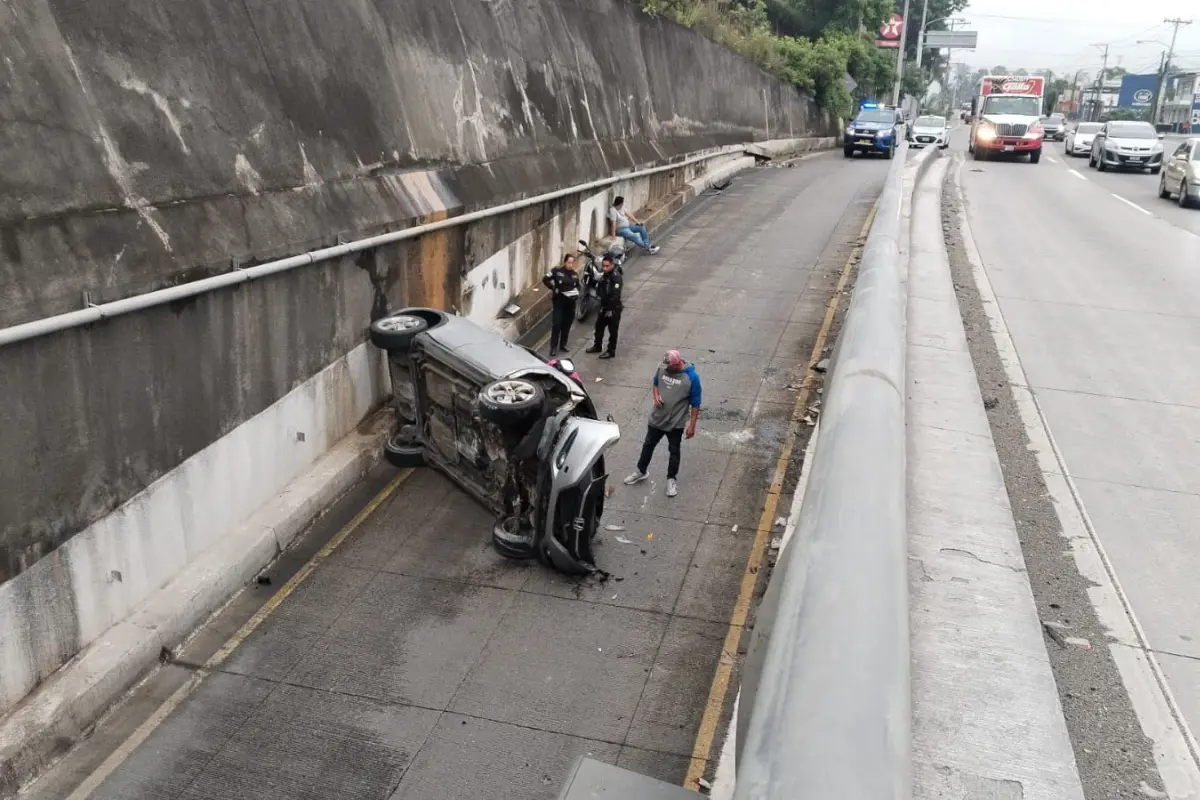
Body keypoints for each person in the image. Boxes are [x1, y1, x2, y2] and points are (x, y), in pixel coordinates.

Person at [624, 350, 701, 498]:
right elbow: (655, 383)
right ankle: (641, 471)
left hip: (675, 423)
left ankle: (671, 479)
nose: (665, 368)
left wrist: (692, 426)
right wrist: (656, 396)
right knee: (648, 445)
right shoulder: (662, 367)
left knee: (674, 451)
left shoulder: (692, 378)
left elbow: (696, 404)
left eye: (668, 367)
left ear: (677, 364)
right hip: (657, 419)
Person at [543, 253, 580, 356]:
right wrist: (553, 288)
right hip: (559, 302)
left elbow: (578, 287)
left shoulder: (574, 275)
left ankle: (563, 344)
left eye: (572, 263)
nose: (570, 265)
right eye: (569, 262)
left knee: (567, 325)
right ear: (565, 262)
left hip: (570, 303)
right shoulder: (557, 271)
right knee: (557, 324)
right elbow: (545, 279)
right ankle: (553, 347)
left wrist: (576, 294)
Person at [586, 255, 622, 359]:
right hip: (604, 306)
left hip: (613, 308)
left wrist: (610, 310)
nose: (605, 268)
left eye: (607, 266)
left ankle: (611, 351)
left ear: (612, 265)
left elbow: (615, 295)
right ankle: (597, 346)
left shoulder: (616, 277)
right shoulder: (605, 275)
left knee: (613, 331)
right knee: (599, 327)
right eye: (603, 266)